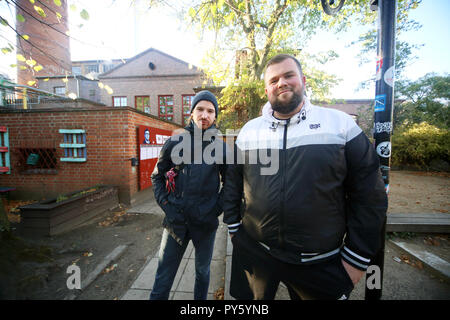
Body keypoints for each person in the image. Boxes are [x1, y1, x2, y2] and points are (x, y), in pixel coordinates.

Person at [223, 54, 388, 300]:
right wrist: (234, 228)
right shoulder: (249, 131)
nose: (282, 83)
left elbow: (370, 196)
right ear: (267, 88)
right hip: (255, 253)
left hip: (319, 263)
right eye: (274, 79)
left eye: (289, 75)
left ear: (303, 79)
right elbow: (234, 182)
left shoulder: (340, 126)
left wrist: (357, 258)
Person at [150, 90, 227, 300]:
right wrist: (167, 206)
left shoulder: (221, 148)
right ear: (191, 113)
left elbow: (230, 184)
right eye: (200, 109)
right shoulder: (174, 143)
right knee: (164, 276)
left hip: (205, 226)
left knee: (202, 273)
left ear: (215, 116)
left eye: (210, 111)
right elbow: (157, 176)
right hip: (176, 224)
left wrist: (214, 210)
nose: (205, 115)